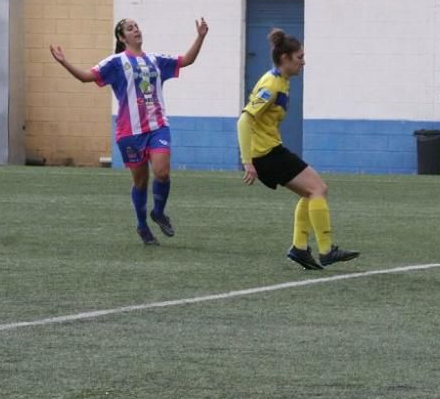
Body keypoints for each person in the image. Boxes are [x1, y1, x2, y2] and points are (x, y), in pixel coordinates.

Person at [49, 17, 209, 245]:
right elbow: (86, 77)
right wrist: (64, 62)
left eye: (137, 26)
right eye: (130, 28)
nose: (136, 30)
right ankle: (142, 226)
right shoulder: (115, 63)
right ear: (122, 38)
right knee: (141, 182)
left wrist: (200, 36)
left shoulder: (155, 60)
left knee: (162, 173)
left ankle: (159, 212)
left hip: (157, 128)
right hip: (129, 133)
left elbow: (186, 60)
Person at [238, 28, 359, 270]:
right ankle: (325, 251)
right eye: (299, 57)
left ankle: (300, 248)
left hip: (270, 151)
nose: (303, 62)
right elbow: (244, 120)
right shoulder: (272, 84)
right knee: (318, 189)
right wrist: (248, 162)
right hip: (266, 155)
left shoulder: (281, 80)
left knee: (312, 191)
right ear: (285, 58)